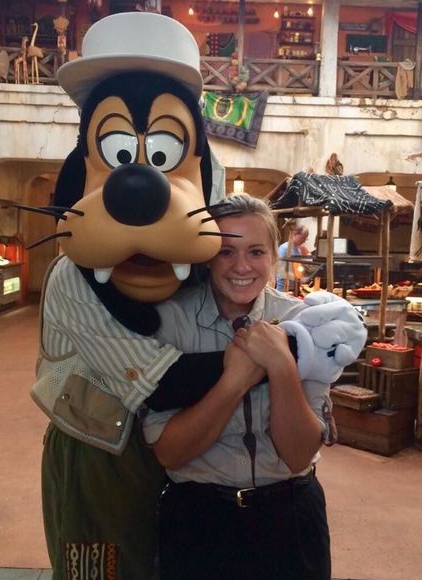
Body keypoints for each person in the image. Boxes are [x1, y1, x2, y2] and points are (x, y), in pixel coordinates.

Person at [144, 194, 333, 580]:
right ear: (207, 257)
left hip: (291, 517)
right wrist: (235, 380)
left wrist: (281, 364)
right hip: (198, 520)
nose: (242, 267)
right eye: (226, 252)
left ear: (274, 257)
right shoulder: (169, 323)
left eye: (256, 252)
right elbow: (170, 453)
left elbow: (298, 455)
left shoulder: (304, 323)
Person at [276, 224, 310, 292]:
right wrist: (298, 278)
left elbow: (298, 267)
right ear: (295, 234)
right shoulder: (284, 248)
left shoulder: (298, 249)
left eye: (305, 239)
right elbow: (280, 271)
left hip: (295, 287)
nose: (304, 241)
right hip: (284, 288)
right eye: (302, 238)